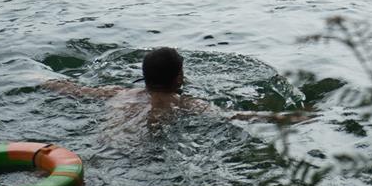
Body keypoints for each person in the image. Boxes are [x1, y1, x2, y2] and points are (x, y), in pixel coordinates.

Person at [44, 47, 308, 125]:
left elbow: (71, 89)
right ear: (178, 78)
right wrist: (291, 117)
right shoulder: (183, 103)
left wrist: (37, 77)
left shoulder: (118, 92)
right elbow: (235, 116)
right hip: (142, 153)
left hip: (106, 140)